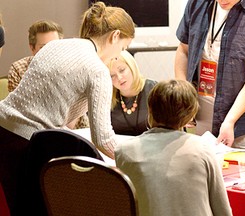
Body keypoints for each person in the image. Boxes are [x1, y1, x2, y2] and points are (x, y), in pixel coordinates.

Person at [0, 1, 134, 214]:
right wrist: (136, 158)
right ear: (114, 36)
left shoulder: (56, 46)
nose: (119, 54)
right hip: (25, 144)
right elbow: (104, 139)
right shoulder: (96, 70)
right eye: (123, 47)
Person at [175, 0, 245, 151]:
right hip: (201, 115)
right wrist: (184, 99)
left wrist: (230, 120)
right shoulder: (196, 4)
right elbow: (183, 50)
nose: (222, 1)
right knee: (203, 171)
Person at [115, 79, 232, 216]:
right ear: (190, 115)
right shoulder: (203, 150)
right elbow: (222, 210)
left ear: (150, 109)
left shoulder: (123, 151)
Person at [109, 50, 157, 135]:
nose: (119, 78)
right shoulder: (107, 97)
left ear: (132, 67)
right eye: (112, 75)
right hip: (120, 147)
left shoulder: (154, 89)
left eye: (122, 70)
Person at [7, 20, 63, 92]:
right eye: (44, 47)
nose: (51, 52)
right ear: (32, 48)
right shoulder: (18, 69)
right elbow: (16, 102)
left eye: (55, 46)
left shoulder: (71, 68)